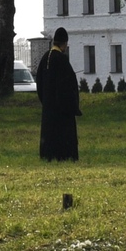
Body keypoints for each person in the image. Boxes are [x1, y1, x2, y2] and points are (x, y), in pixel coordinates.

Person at [37, 28, 81, 162]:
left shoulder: (45, 57)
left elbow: (39, 82)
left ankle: (48, 155)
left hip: (49, 107)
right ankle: (65, 155)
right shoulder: (62, 59)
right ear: (64, 44)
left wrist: (45, 101)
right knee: (63, 134)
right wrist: (72, 104)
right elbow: (69, 84)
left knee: (49, 133)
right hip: (62, 108)